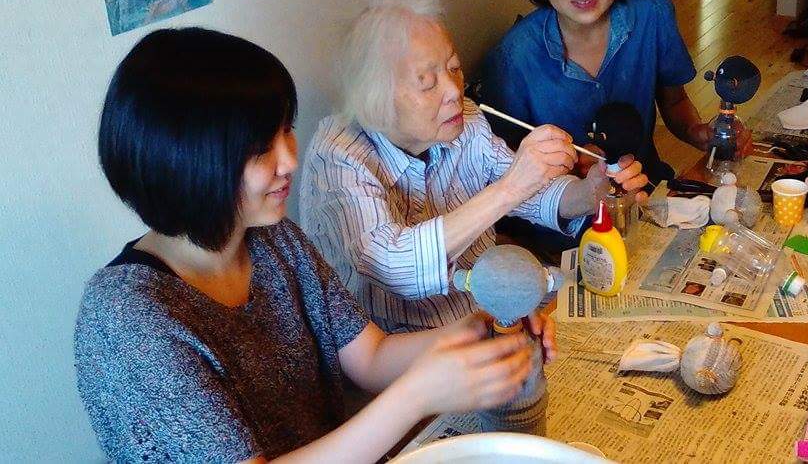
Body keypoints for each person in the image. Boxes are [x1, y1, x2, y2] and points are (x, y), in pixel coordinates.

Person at [75, 28, 551, 463]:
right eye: (260, 149)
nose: (290, 159)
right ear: (186, 163)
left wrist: (476, 333)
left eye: (285, 130)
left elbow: (371, 357)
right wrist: (417, 396)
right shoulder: (126, 318)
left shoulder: (274, 240)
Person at [299, 0, 648, 333]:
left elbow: (531, 195)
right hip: (400, 344)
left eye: (454, 68)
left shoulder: (464, 120)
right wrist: (510, 187)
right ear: (376, 97)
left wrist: (590, 193)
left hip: (484, 307)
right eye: (427, 83)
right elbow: (393, 268)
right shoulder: (338, 156)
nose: (454, 91)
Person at [481, 0, 752, 185]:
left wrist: (699, 132)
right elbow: (504, 164)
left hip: (646, 189)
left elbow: (674, 102)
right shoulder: (513, 57)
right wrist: (568, 168)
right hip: (562, 212)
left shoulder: (652, 14)